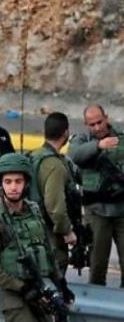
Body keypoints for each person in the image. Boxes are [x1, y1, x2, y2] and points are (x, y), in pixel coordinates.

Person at [0, 153, 74, 321]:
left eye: (18, 181)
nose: (13, 187)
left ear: (26, 183)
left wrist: (61, 283)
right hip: (14, 296)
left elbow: (47, 250)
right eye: (8, 182)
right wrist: (22, 288)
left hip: (40, 290)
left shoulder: (34, 210)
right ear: (1, 184)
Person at [68, 104, 124, 287]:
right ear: (86, 124)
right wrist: (98, 146)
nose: (97, 127)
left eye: (100, 122)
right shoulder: (82, 140)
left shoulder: (120, 138)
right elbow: (75, 155)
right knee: (98, 265)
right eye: (92, 124)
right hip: (97, 212)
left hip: (121, 210)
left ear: (106, 118)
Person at [31, 112, 77, 275]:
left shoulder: (34, 156)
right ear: (65, 133)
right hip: (50, 235)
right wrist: (67, 231)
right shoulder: (55, 165)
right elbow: (55, 206)